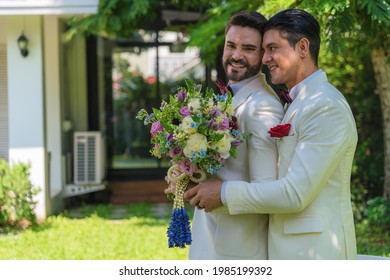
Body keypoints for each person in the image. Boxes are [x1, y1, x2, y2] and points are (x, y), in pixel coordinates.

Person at [185, 9, 358, 260]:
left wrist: (222, 193)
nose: (266, 59)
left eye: (272, 48)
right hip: (287, 252)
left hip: (315, 255)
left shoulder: (325, 106)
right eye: (264, 50)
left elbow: (294, 193)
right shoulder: (298, 101)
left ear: (302, 47)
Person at [169, 11, 284, 259]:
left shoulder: (263, 107)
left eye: (249, 48)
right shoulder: (227, 98)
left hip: (237, 251)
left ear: (263, 55)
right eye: (231, 45)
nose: (236, 55)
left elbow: (267, 190)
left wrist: (220, 194)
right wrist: (190, 174)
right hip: (209, 240)